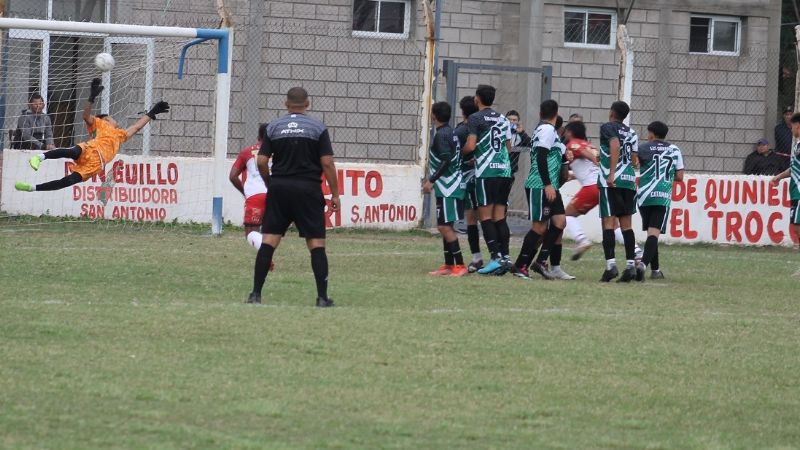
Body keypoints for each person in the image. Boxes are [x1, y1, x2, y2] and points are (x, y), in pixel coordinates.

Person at [247, 87, 340, 307]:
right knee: (316, 243)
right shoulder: (318, 128)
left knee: (269, 241)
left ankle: (256, 295)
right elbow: (327, 163)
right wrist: (335, 194)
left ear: (285, 104)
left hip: (280, 188)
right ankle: (321, 298)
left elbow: (261, 161)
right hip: (308, 190)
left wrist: (272, 183)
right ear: (307, 103)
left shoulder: (274, 127)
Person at [15, 78, 169, 192]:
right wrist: (91, 98)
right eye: (108, 117)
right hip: (91, 149)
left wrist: (152, 112)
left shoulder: (120, 135)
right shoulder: (100, 123)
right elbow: (86, 116)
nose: (112, 118)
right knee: (72, 151)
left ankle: (32, 188)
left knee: (67, 181)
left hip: (96, 165)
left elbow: (136, 127)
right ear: (105, 120)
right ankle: (40, 157)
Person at [562, 121, 642, 261]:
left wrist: (594, 160)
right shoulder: (590, 144)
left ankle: (582, 240)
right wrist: (573, 175)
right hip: (601, 186)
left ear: (570, 132)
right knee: (614, 223)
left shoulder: (573, 144)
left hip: (591, 187)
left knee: (567, 215)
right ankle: (635, 251)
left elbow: (584, 154)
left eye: (566, 131)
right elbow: (588, 167)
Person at [510, 99, 571, 280]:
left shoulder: (548, 131)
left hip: (550, 186)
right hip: (540, 185)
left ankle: (541, 261)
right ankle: (521, 265)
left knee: (560, 222)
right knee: (539, 227)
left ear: (540, 113)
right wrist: (547, 184)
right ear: (557, 113)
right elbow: (541, 157)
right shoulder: (546, 130)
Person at [461, 85, 513, 276]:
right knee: (500, 216)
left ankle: (495, 258)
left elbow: (471, 145)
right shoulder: (503, 119)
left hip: (486, 172)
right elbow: (509, 147)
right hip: (504, 171)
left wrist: (462, 152)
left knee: (485, 217)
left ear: (477, 99)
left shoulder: (475, 118)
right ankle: (505, 257)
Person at [634, 121, 684, 281]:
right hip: (662, 195)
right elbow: (680, 177)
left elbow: (634, 164)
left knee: (651, 233)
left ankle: (656, 270)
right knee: (653, 233)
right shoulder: (674, 150)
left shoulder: (642, 148)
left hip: (644, 196)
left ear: (651, 134)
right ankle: (643, 264)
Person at [597, 101, 639, 282]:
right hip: (629, 181)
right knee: (626, 225)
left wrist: (612, 172)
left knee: (608, 223)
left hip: (611, 181)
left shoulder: (608, 127)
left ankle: (611, 266)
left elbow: (614, 145)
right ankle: (630, 266)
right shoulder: (632, 132)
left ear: (611, 112)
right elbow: (635, 160)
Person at [424, 102, 467, 277]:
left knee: (443, 226)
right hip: (448, 186)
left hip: (449, 185)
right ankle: (449, 265)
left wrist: (431, 180)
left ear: (434, 115)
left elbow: (446, 160)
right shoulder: (451, 132)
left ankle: (460, 265)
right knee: (445, 225)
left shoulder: (442, 135)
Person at [454, 95, 484, 272]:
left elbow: (455, 153)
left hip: (469, 177)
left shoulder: (461, 130)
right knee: (488, 218)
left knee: (472, 219)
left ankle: (477, 258)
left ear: (462, 111)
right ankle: (499, 256)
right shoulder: (484, 127)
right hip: (484, 176)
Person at [230, 123, 269, 236]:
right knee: (273, 233)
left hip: (255, 193)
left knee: (251, 233)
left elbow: (232, 176)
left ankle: (261, 252)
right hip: (275, 194)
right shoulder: (282, 152)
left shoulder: (247, 152)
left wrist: (245, 192)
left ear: (258, 137)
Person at [770, 112, 800, 252]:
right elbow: (794, 168)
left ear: (798, 127)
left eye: (793, 127)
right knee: (796, 226)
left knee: (797, 226)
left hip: (799, 192)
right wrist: (778, 177)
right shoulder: (797, 146)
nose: (791, 130)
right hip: (795, 192)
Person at [505, 110, 531, 186]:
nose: (511, 122)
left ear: (518, 122)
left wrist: (522, 132)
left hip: (511, 168)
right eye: (509, 119)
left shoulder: (519, 135)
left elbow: (530, 144)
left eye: (514, 120)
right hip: (498, 167)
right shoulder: (500, 132)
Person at [774, 105, 793, 170]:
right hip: (782, 158)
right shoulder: (778, 128)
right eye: (786, 115)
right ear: (783, 116)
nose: (789, 117)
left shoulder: (797, 128)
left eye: (790, 114)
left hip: (795, 157)